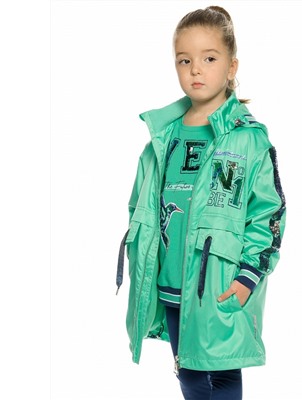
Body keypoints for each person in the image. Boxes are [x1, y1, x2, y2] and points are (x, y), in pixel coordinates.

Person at [116, 5, 286, 399]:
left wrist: (249, 275)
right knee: (188, 373)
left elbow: (268, 213)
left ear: (231, 67)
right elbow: (140, 205)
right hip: (171, 281)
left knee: (220, 372)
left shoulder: (246, 139)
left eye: (209, 59)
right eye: (184, 60)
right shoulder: (162, 137)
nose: (196, 69)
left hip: (218, 283)